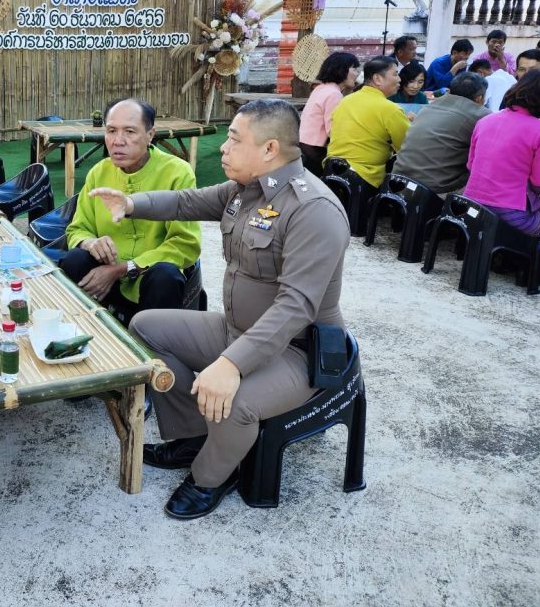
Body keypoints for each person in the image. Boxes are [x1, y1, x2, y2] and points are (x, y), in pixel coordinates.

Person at [87, 99, 349, 519]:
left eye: (233, 139)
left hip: (297, 351)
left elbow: (296, 306)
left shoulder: (313, 210)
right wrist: (132, 204)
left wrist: (231, 364)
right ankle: (194, 436)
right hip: (236, 330)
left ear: (269, 149)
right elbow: (186, 202)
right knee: (145, 327)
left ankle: (211, 476)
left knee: (235, 400)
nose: (223, 148)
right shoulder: (245, 191)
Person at [62, 99, 201, 325]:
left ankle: (153, 343)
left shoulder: (178, 173)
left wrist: (123, 269)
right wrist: (89, 243)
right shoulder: (99, 172)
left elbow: (185, 243)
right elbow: (77, 229)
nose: (118, 141)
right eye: (111, 131)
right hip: (105, 277)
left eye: (129, 131)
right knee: (75, 259)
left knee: (165, 276)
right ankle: (88, 328)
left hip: (149, 278)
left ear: (150, 135)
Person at [464, 69, 540, 251]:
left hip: (471, 205)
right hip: (510, 214)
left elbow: (471, 165)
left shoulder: (486, 120)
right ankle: (530, 259)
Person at [392, 72, 490, 195]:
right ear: (479, 98)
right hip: (435, 190)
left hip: (397, 180)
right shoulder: (482, 116)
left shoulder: (428, 107)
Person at [326, 56, 411, 188]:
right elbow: (407, 148)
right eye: (395, 74)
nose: (399, 79)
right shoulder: (390, 109)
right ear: (377, 79)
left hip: (331, 170)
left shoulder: (345, 101)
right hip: (365, 177)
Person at [298, 52, 360, 176]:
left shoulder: (322, 88)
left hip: (304, 145)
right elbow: (333, 131)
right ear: (342, 70)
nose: (357, 74)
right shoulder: (334, 94)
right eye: (354, 69)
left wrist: (349, 89)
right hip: (316, 151)